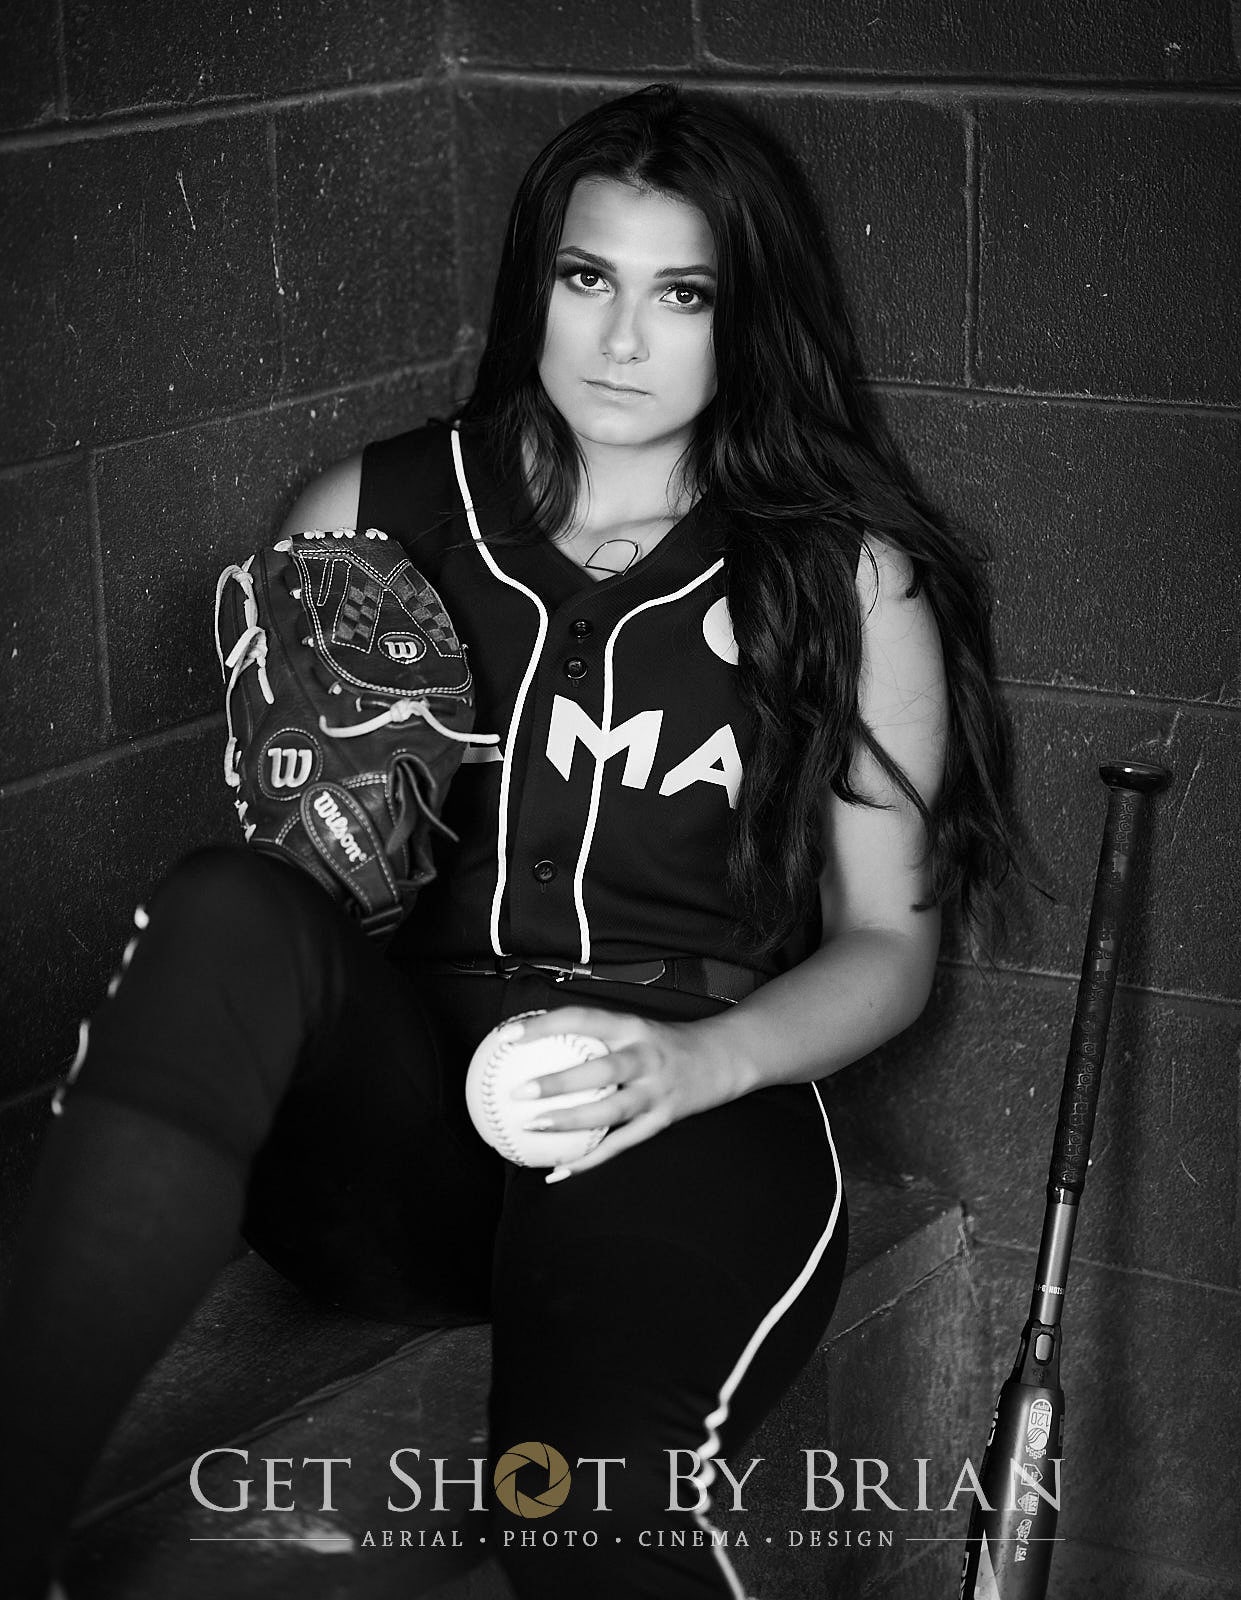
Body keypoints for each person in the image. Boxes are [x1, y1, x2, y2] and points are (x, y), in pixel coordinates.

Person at [0, 83, 1015, 1599]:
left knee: (577, 1505)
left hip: (677, 1108)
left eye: (683, 295)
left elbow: (888, 948)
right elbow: (294, 908)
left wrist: (698, 1065)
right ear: (533, 279)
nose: (622, 339)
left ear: (751, 319)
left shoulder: (841, 578)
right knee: (226, 904)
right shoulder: (371, 509)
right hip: (397, 1147)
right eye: (586, 277)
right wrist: (321, 844)